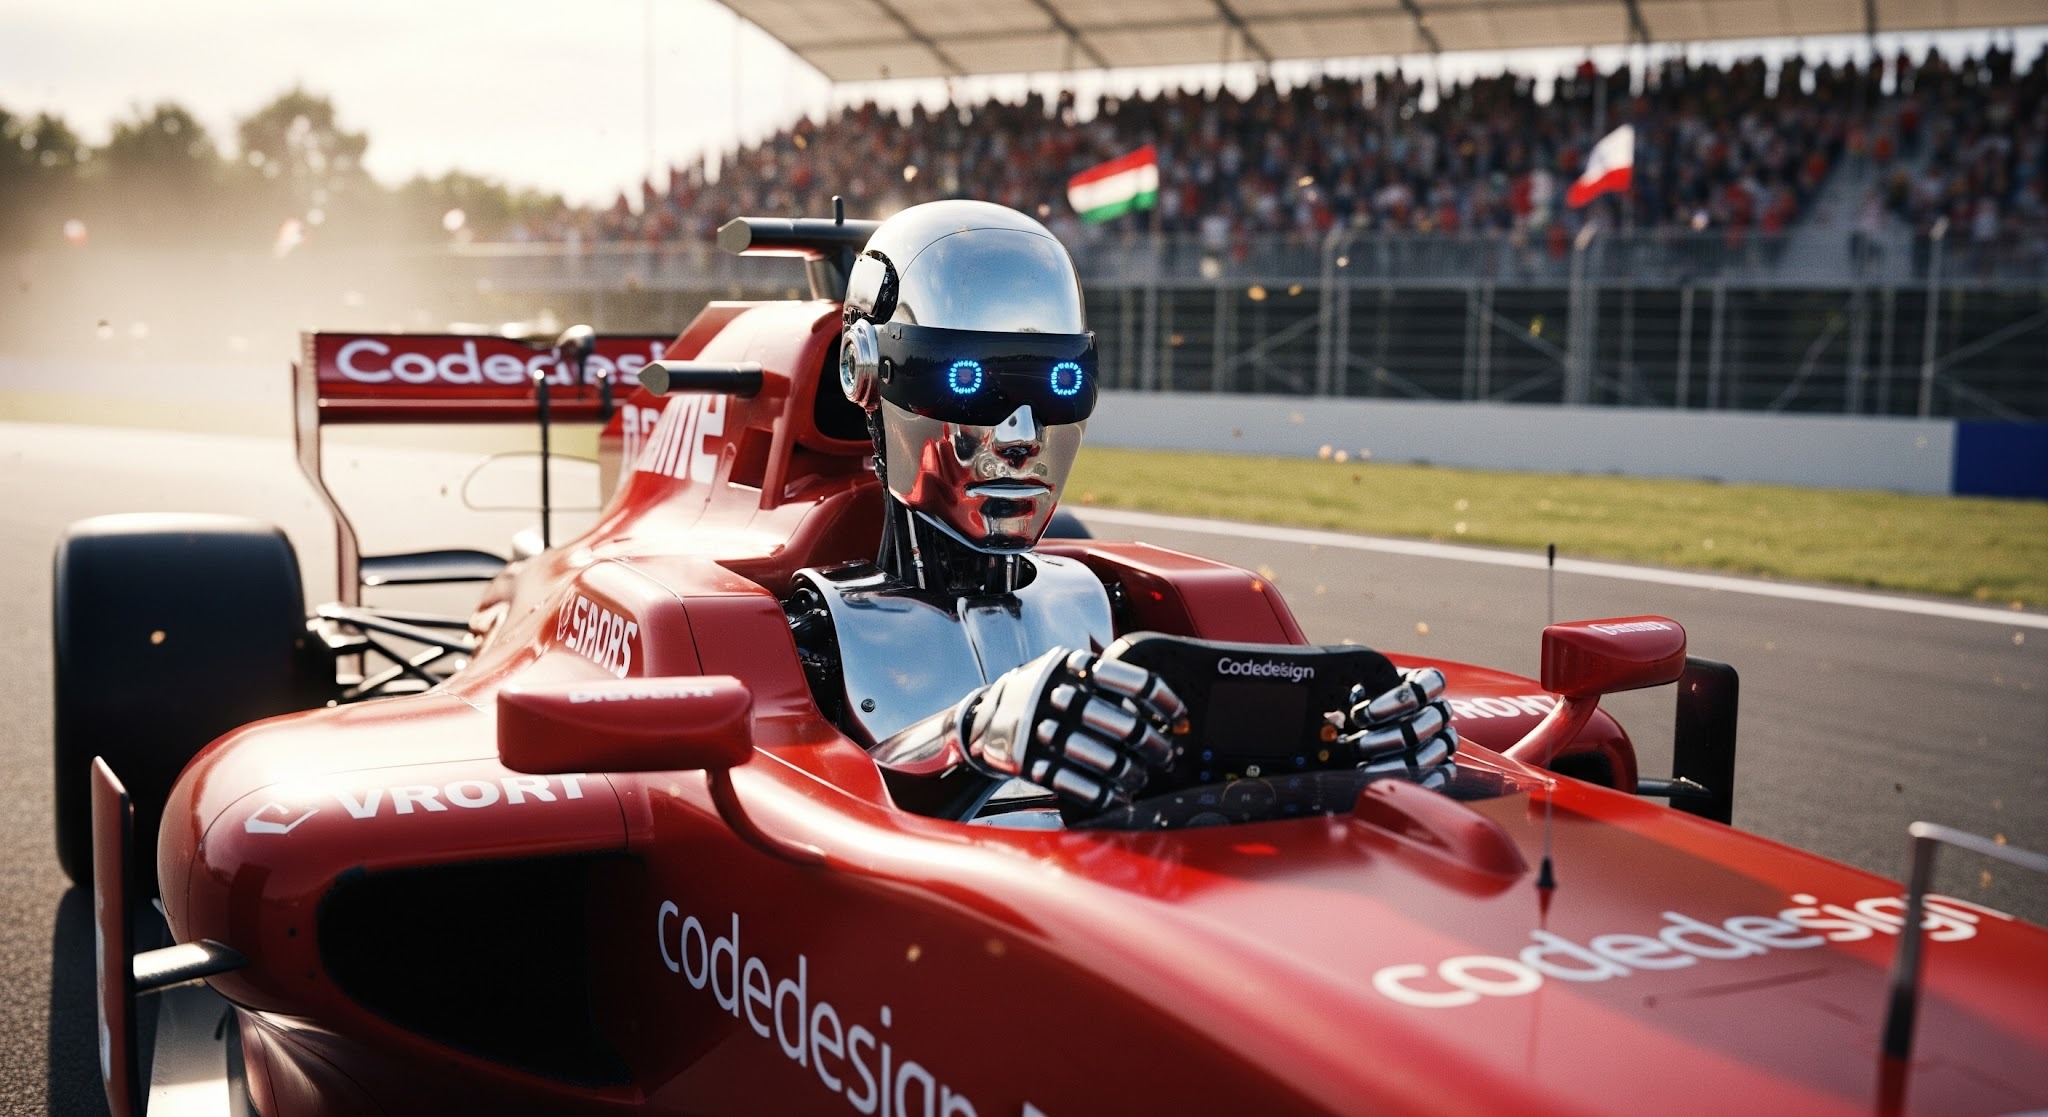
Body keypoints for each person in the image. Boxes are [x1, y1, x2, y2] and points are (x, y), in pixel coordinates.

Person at [784, 199, 1455, 823]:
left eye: (1060, 383)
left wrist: (1351, 746)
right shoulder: (811, 634)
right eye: (969, 380)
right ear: (863, 374)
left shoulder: (1108, 601)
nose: (1021, 436)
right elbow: (792, 804)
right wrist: (973, 733)